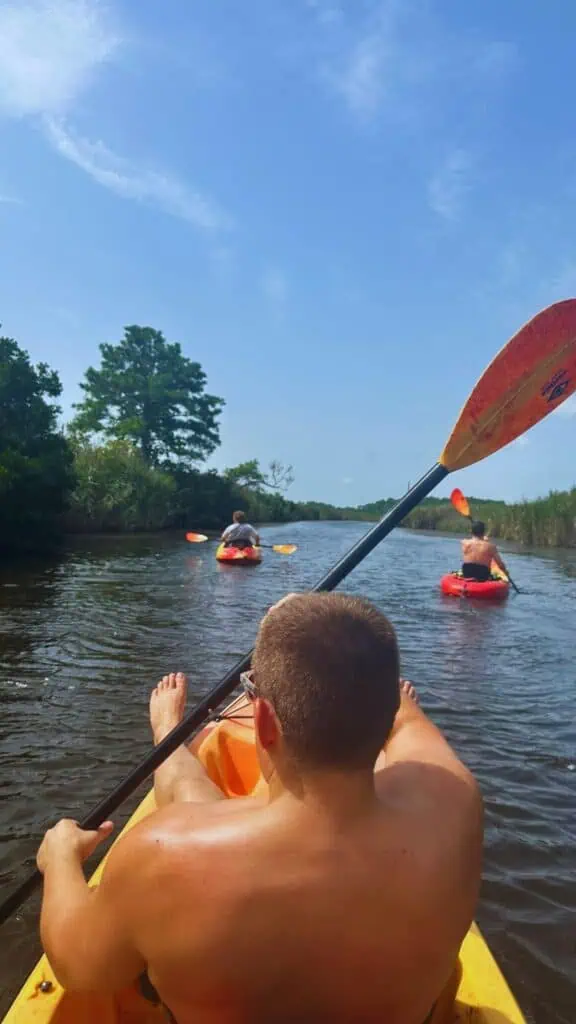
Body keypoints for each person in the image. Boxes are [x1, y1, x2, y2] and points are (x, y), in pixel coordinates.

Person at [37, 593, 483, 1024]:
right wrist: (341, 653)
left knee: (193, 807)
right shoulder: (453, 805)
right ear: (386, 714)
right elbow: (410, 723)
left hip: (208, 857)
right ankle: (172, 739)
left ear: (264, 721)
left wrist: (59, 857)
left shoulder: (162, 855)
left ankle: (169, 737)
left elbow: (80, 969)